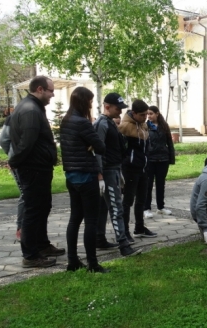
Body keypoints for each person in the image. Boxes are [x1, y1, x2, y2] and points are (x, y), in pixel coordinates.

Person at [8, 76, 64, 268]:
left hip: (38, 167)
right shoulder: (30, 110)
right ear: (40, 89)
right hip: (33, 169)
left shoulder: (31, 107)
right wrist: (14, 161)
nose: (53, 94)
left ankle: (41, 245)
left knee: (42, 207)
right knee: (33, 210)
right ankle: (31, 255)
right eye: (50, 90)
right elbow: (27, 142)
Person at [60, 87, 109, 273]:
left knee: (74, 219)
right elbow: (101, 147)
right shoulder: (83, 122)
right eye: (89, 101)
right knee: (91, 220)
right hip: (87, 176)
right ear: (83, 102)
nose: (91, 104)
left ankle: (72, 261)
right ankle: (93, 264)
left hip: (71, 176)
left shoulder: (66, 121)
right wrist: (91, 145)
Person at [94, 93, 142, 256]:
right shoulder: (102, 124)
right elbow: (98, 151)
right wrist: (100, 174)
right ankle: (123, 244)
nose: (120, 112)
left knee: (105, 207)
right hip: (107, 171)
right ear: (107, 107)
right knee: (116, 208)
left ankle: (100, 238)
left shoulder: (109, 123)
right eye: (117, 109)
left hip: (113, 169)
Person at [118, 99, 157, 241]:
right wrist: (126, 163)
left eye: (146, 114)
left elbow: (146, 147)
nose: (145, 117)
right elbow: (121, 149)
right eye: (142, 115)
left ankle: (139, 227)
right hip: (130, 169)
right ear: (133, 113)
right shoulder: (125, 127)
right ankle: (125, 231)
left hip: (143, 168)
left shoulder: (144, 125)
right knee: (127, 201)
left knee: (142, 199)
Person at [143, 106, 175, 218]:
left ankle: (160, 207)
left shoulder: (164, 126)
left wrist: (171, 158)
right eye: (148, 114)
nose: (149, 116)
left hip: (163, 159)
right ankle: (146, 208)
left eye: (151, 113)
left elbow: (170, 143)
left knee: (161, 184)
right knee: (148, 184)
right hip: (150, 159)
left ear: (157, 114)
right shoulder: (145, 126)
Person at [0, 114, 24, 243]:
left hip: (32, 164)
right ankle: (21, 228)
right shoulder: (15, 116)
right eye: (50, 91)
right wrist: (13, 156)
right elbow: (3, 139)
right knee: (25, 195)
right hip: (19, 163)